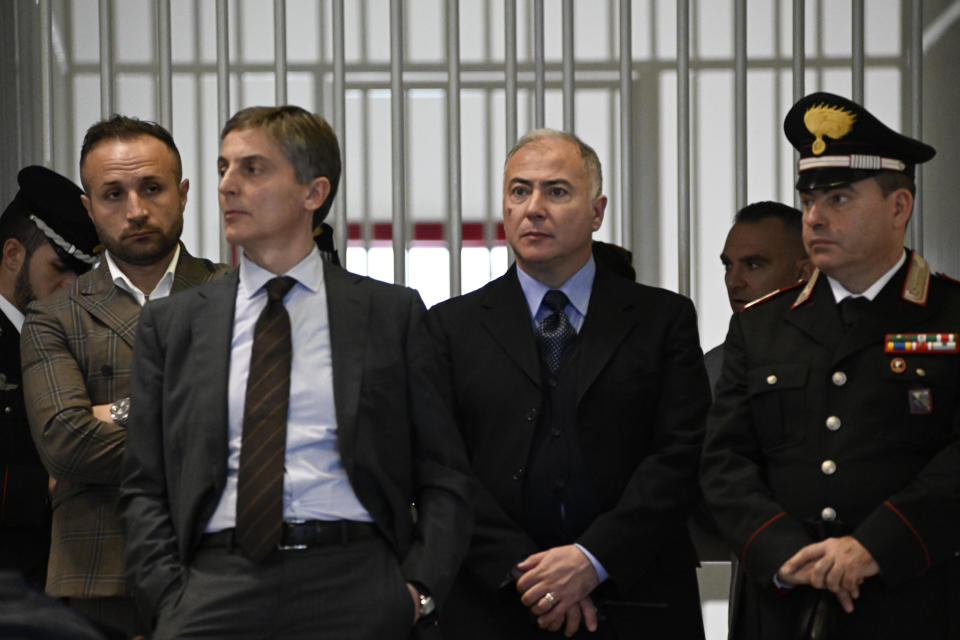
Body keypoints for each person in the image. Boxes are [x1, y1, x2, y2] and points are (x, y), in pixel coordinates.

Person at [118, 105, 473, 639]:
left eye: (252, 169)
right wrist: (168, 599)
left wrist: (417, 592)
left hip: (356, 581)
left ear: (314, 192)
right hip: (214, 585)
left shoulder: (390, 315)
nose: (228, 187)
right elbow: (144, 484)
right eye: (222, 168)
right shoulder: (173, 325)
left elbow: (445, 474)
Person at [428, 129, 710, 639]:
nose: (533, 208)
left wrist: (592, 559)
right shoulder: (451, 326)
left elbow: (680, 454)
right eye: (519, 191)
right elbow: (443, 468)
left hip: (636, 593)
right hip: (495, 602)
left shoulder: (661, 318)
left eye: (557, 191)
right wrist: (525, 570)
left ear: (597, 212)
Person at [701, 91, 960, 639]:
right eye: (810, 200)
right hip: (783, 606)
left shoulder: (950, 314)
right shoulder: (762, 324)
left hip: (915, 600)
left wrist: (875, 546)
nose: (815, 217)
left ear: (898, 207)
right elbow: (724, 461)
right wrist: (787, 552)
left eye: (839, 199)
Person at [21, 116, 228, 635]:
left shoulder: (239, 295)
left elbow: (265, 423)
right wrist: (199, 422)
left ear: (182, 194)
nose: (135, 210)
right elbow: (65, 444)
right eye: (113, 194)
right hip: (99, 575)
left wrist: (111, 412)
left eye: (152, 188)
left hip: (223, 567)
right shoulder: (52, 315)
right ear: (89, 208)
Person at [0, 166, 99, 591]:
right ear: (13, 255)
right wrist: (47, 487)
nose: (71, 285)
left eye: (82, 274)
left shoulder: (71, 338)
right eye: (60, 268)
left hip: (60, 577)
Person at [704, 201, 812, 391]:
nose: (733, 282)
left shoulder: (837, 358)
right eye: (728, 265)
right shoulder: (712, 368)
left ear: (803, 273)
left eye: (753, 265)